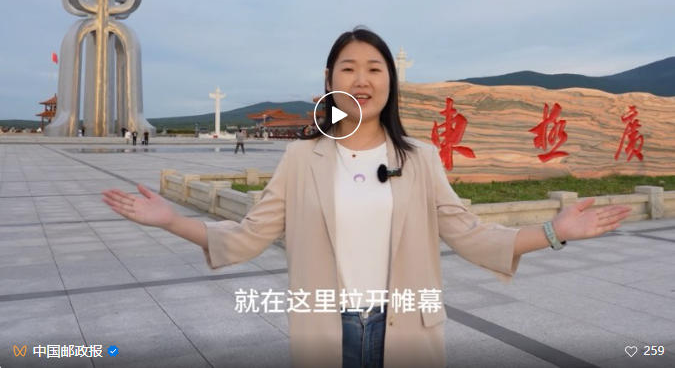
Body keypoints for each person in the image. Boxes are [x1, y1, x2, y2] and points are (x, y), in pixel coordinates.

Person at [102, 26, 632, 368]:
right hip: (325, 332)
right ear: (330, 80)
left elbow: (470, 234)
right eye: (348, 69)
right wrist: (170, 219)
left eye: (375, 69)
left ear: (390, 82)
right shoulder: (301, 159)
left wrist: (553, 231)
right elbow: (246, 237)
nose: (362, 79)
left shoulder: (420, 158)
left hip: (406, 330)